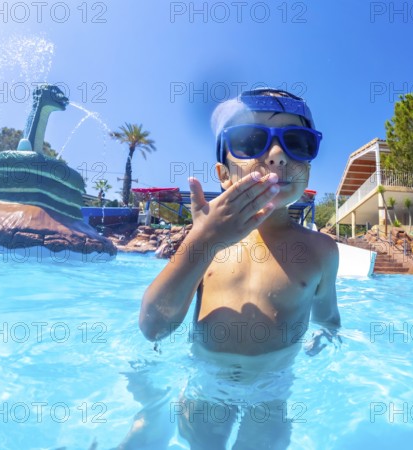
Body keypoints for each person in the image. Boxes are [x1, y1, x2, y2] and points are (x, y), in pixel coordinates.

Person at [138, 88, 341, 449]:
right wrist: (204, 241)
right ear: (224, 174)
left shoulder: (320, 250)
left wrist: (323, 345)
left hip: (273, 385)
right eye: (251, 141)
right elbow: (154, 327)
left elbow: (328, 319)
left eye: (297, 142)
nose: (278, 156)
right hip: (208, 379)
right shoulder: (203, 244)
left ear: (308, 167)